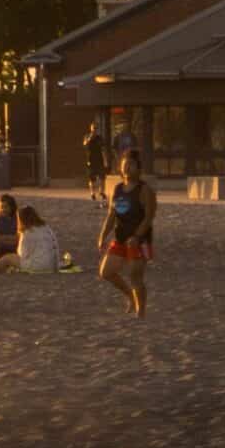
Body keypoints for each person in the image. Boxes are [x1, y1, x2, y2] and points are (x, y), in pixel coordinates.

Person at [97, 151, 157, 317]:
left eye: (132, 164)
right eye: (125, 164)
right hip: (120, 238)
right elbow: (111, 214)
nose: (128, 168)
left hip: (140, 240)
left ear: (138, 168)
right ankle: (130, 296)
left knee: (135, 277)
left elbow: (149, 217)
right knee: (106, 272)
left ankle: (141, 312)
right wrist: (102, 235)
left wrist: (137, 236)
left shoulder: (145, 190)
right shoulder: (117, 189)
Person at [0, 204, 60, 274]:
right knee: (10, 260)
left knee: (8, 258)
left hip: (40, 267)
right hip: (53, 266)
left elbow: (22, 255)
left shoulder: (28, 232)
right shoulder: (46, 227)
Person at [83, 124, 108, 203]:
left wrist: (105, 160)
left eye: (96, 128)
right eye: (93, 128)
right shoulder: (87, 136)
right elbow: (84, 144)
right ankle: (92, 193)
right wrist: (90, 137)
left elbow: (103, 149)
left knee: (102, 177)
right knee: (92, 178)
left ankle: (101, 192)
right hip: (90, 160)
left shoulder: (99, 138)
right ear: (91, 128)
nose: (94, 130)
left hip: (99, 160)